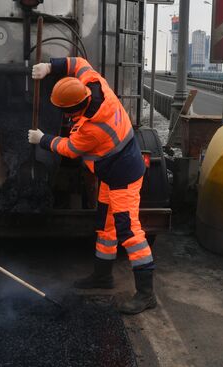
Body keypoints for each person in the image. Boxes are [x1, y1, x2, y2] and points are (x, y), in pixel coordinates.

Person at [29, 57, 156, 314]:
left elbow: (69, 148)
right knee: (105, 226)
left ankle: (146, 294)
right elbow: (78, 62)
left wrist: (43, 139)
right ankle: (102, 276)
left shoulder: (94, 127)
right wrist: (50, 67)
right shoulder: (94, 82)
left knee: (128, 232)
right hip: (112, 173)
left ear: (73, 110)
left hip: (124, 176)